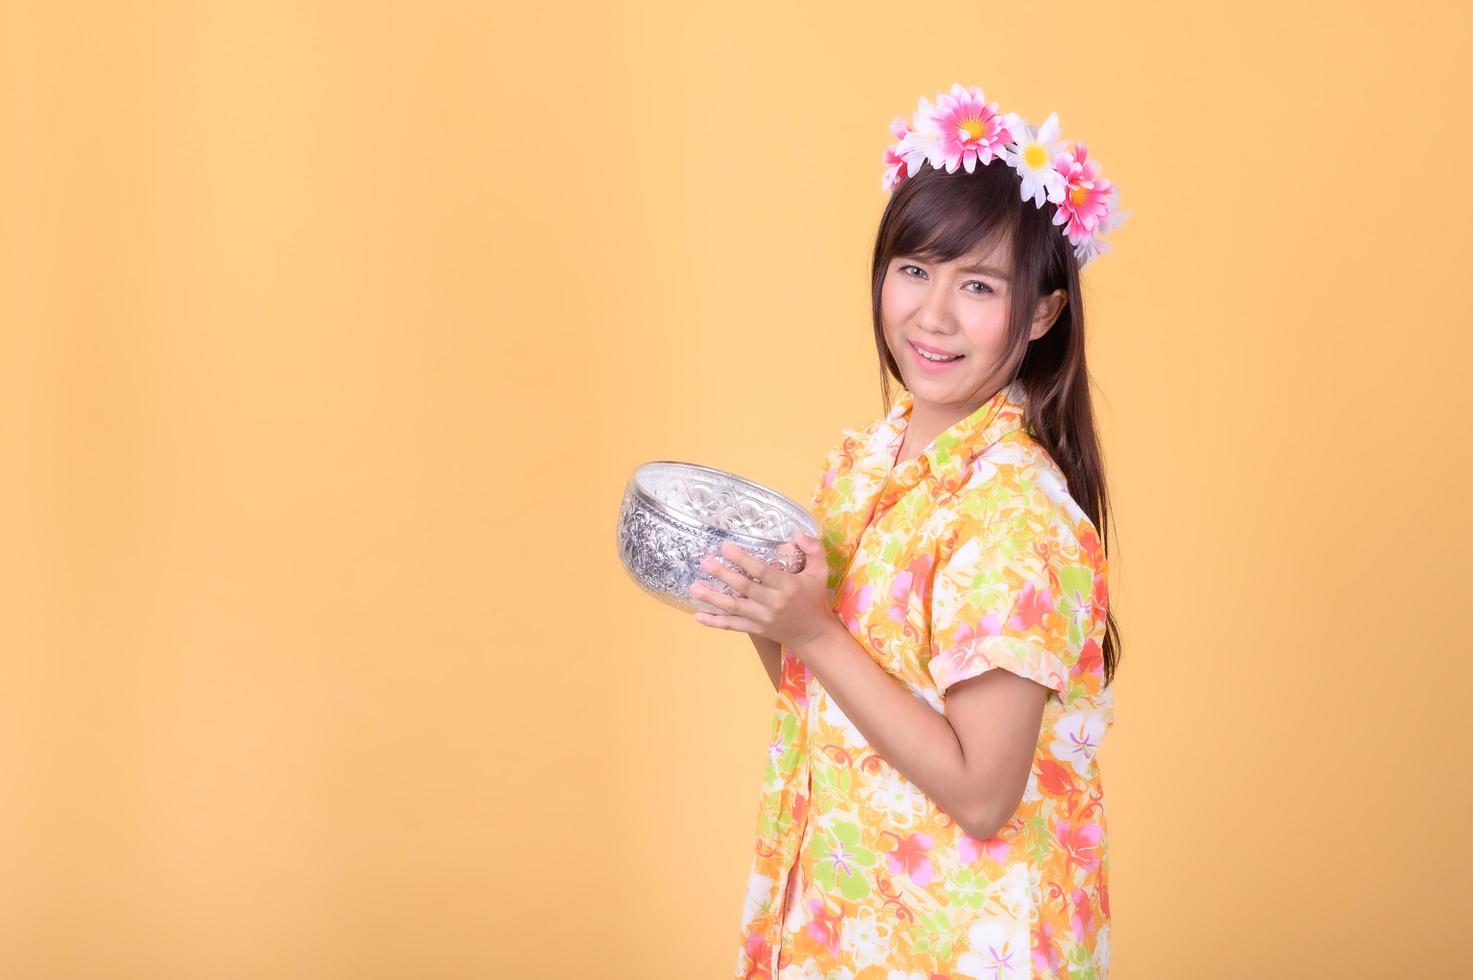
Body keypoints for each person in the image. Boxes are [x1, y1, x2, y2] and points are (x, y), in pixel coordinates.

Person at [688, 83, 1128, 978]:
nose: (932, 315)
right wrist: (770, 613)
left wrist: (809, 627)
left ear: (1041, 312)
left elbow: (980, 792)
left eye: (977, 285)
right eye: (914, 270)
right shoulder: (869, 464)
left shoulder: (1015, 512)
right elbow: (829, 699)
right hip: (849, 917)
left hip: (962, 943)